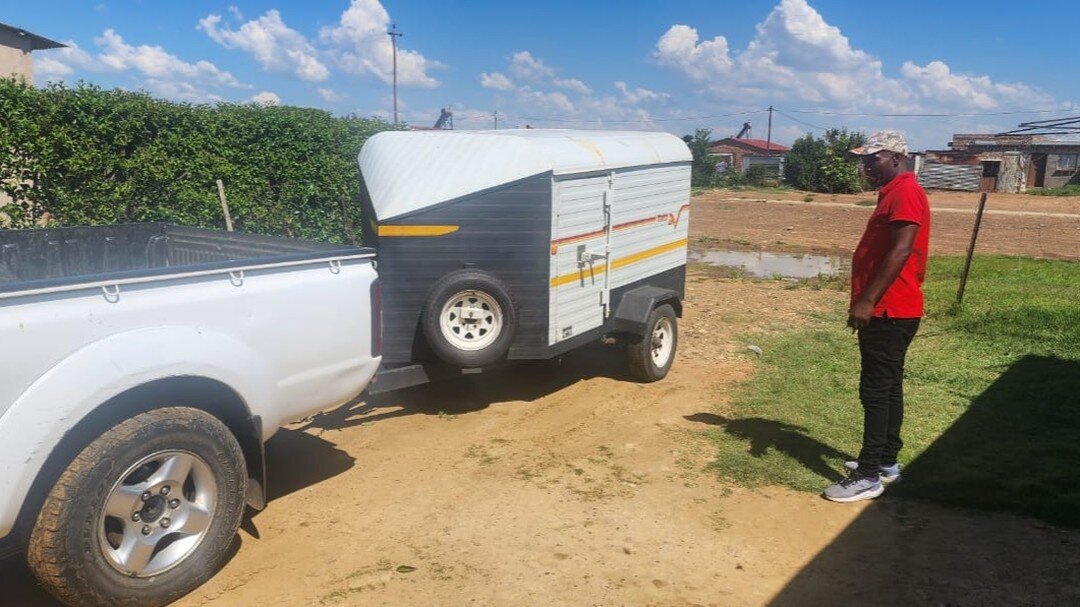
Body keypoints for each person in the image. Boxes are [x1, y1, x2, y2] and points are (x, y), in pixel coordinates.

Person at [823, 131, 930, 503]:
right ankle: (886, 461)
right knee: (888, 386)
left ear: (897, 158)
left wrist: (866, 300)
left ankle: (868, 476)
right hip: (892, 308)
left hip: (889, 309)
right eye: (864, 160)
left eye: (874, 159)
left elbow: (901, 251)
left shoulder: (905, 193)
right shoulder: (894, 191)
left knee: (875, 390)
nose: (867, 166)